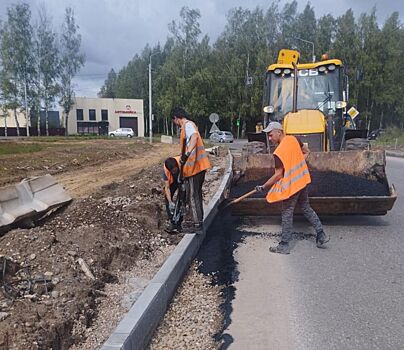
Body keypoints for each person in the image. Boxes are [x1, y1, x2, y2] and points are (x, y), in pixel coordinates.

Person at [255, 121, 329, 254]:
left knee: (287, 213)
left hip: (293, 186)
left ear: (279, 132)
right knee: (306, 208)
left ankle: (284, 245)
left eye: (271, 135)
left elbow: (278, 175)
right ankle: (321, 234)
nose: (269, 138)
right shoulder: (294, 139)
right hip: (303, 180)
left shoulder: (278, 152)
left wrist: (263, 186)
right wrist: (298, 162)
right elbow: (306, 152)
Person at [171, 106, 211, 231]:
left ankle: (197, 225)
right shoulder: (188, 126)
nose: (175, 124)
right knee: (197, 195)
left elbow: (194, 137)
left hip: (195, 168)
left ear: (176, 118)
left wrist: (187, 154)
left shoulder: (188, 125)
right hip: (199, 167)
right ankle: (199, 221)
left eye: (174, 121)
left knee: (193, 196)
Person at [162, 156, 183, 233]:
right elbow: (167, 188)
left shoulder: (181, 162)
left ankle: (179, 223)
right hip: (173, 182)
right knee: (167, 199)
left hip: (182, 178)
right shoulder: (165, 171)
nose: (174, 171)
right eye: (173, 171)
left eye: (175, 170)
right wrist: (170, 202)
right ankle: (173, 222)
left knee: (181, 198)